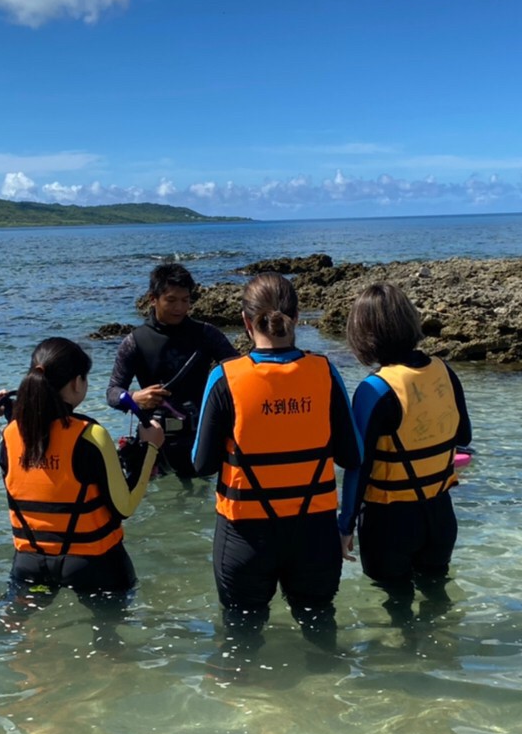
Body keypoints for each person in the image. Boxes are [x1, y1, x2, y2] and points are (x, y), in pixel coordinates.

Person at [191, 273, 361, 638]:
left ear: (246, 322)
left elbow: (201, 464)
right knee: (320, 630)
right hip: (314, 534)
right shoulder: (325, 372)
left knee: (241, 639)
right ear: (297, 318)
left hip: (245, 537)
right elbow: (352, 455)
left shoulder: (224, 378)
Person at [341, 283, 472, 619]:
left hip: (391, 524)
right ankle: (444, 660)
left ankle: (407, 667)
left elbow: (359, 467)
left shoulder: (374, 389)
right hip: (440, 515)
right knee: (437, 596)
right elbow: (464, 435)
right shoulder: (444, 371)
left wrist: (345, 526)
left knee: (397, 608)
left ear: (364, 333)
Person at [1, 338, 164, 599]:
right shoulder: (91, 435)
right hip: (93, 565)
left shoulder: (10, 434)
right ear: (77, 382)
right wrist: (151, 448)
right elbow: (126, 506)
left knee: (31, 638)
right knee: (110, 636)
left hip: (29, 565)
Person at [106, 263, 237, 482]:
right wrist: (135, 398)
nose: (180, 307)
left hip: (199, 437)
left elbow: (239, 372)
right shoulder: (135, 342)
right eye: (171, 300)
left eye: (185, 300)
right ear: (153, 299)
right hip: (154, 438)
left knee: (197, 504)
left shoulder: (206, 334)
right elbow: (112, 392)